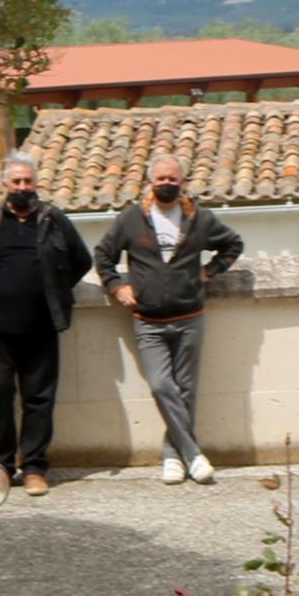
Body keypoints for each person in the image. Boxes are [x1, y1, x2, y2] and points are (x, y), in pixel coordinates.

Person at [0, 152, 91, 492]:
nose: (22, 187)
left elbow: (81, 260)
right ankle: (1, 465)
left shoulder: (54, 220)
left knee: (39, 398)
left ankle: (35, 468)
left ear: (36, 184)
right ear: (5, 185)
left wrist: (54, 291)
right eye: (16, 182)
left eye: (28, 181)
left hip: (42, 327)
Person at [99, 152, 241, 483]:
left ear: (182, 182)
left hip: (190, 316)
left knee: (187, 389)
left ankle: (172, 457)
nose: (166, 184)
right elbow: (103, 255)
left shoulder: (200, 219)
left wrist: (210, 271)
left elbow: (233, 244)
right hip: (148, 321)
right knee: (162, 385)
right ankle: (193, 453)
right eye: (161, 178)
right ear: (151, 182)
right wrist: (117, 286)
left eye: (172, 179)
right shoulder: (131, 219)